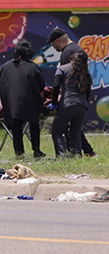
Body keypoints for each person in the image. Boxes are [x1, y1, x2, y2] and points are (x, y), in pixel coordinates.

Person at [47, 27, 97, 157]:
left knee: (59, 129)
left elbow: (62, 81)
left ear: (58, 40)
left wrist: (56, 102)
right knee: (74, 129)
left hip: (69, 99)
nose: (54, 48)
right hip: (81, 100)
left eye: (53, 45)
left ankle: (66, 155)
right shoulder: (77, 49)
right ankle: (82, 152)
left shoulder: (66, 53)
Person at [0, 40, 46, 158]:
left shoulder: (5, 67)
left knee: (16, 129)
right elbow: (41, 89)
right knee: (34, 126)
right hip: (31, 105)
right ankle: (37, 151)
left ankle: (19, 154)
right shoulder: (34, 68)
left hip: (12, 105)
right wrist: (41, 104)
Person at [49, 50, 92, 156]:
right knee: (75, 133)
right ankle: (77, 156)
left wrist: (54, 103)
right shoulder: (85, 72)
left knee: (57, 131)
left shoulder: (62, 68)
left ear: (71, 59)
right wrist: (83, 102)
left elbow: (55, 86)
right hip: (82, 106)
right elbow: (88, 92)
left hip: (68, 104)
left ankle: (62, 156)